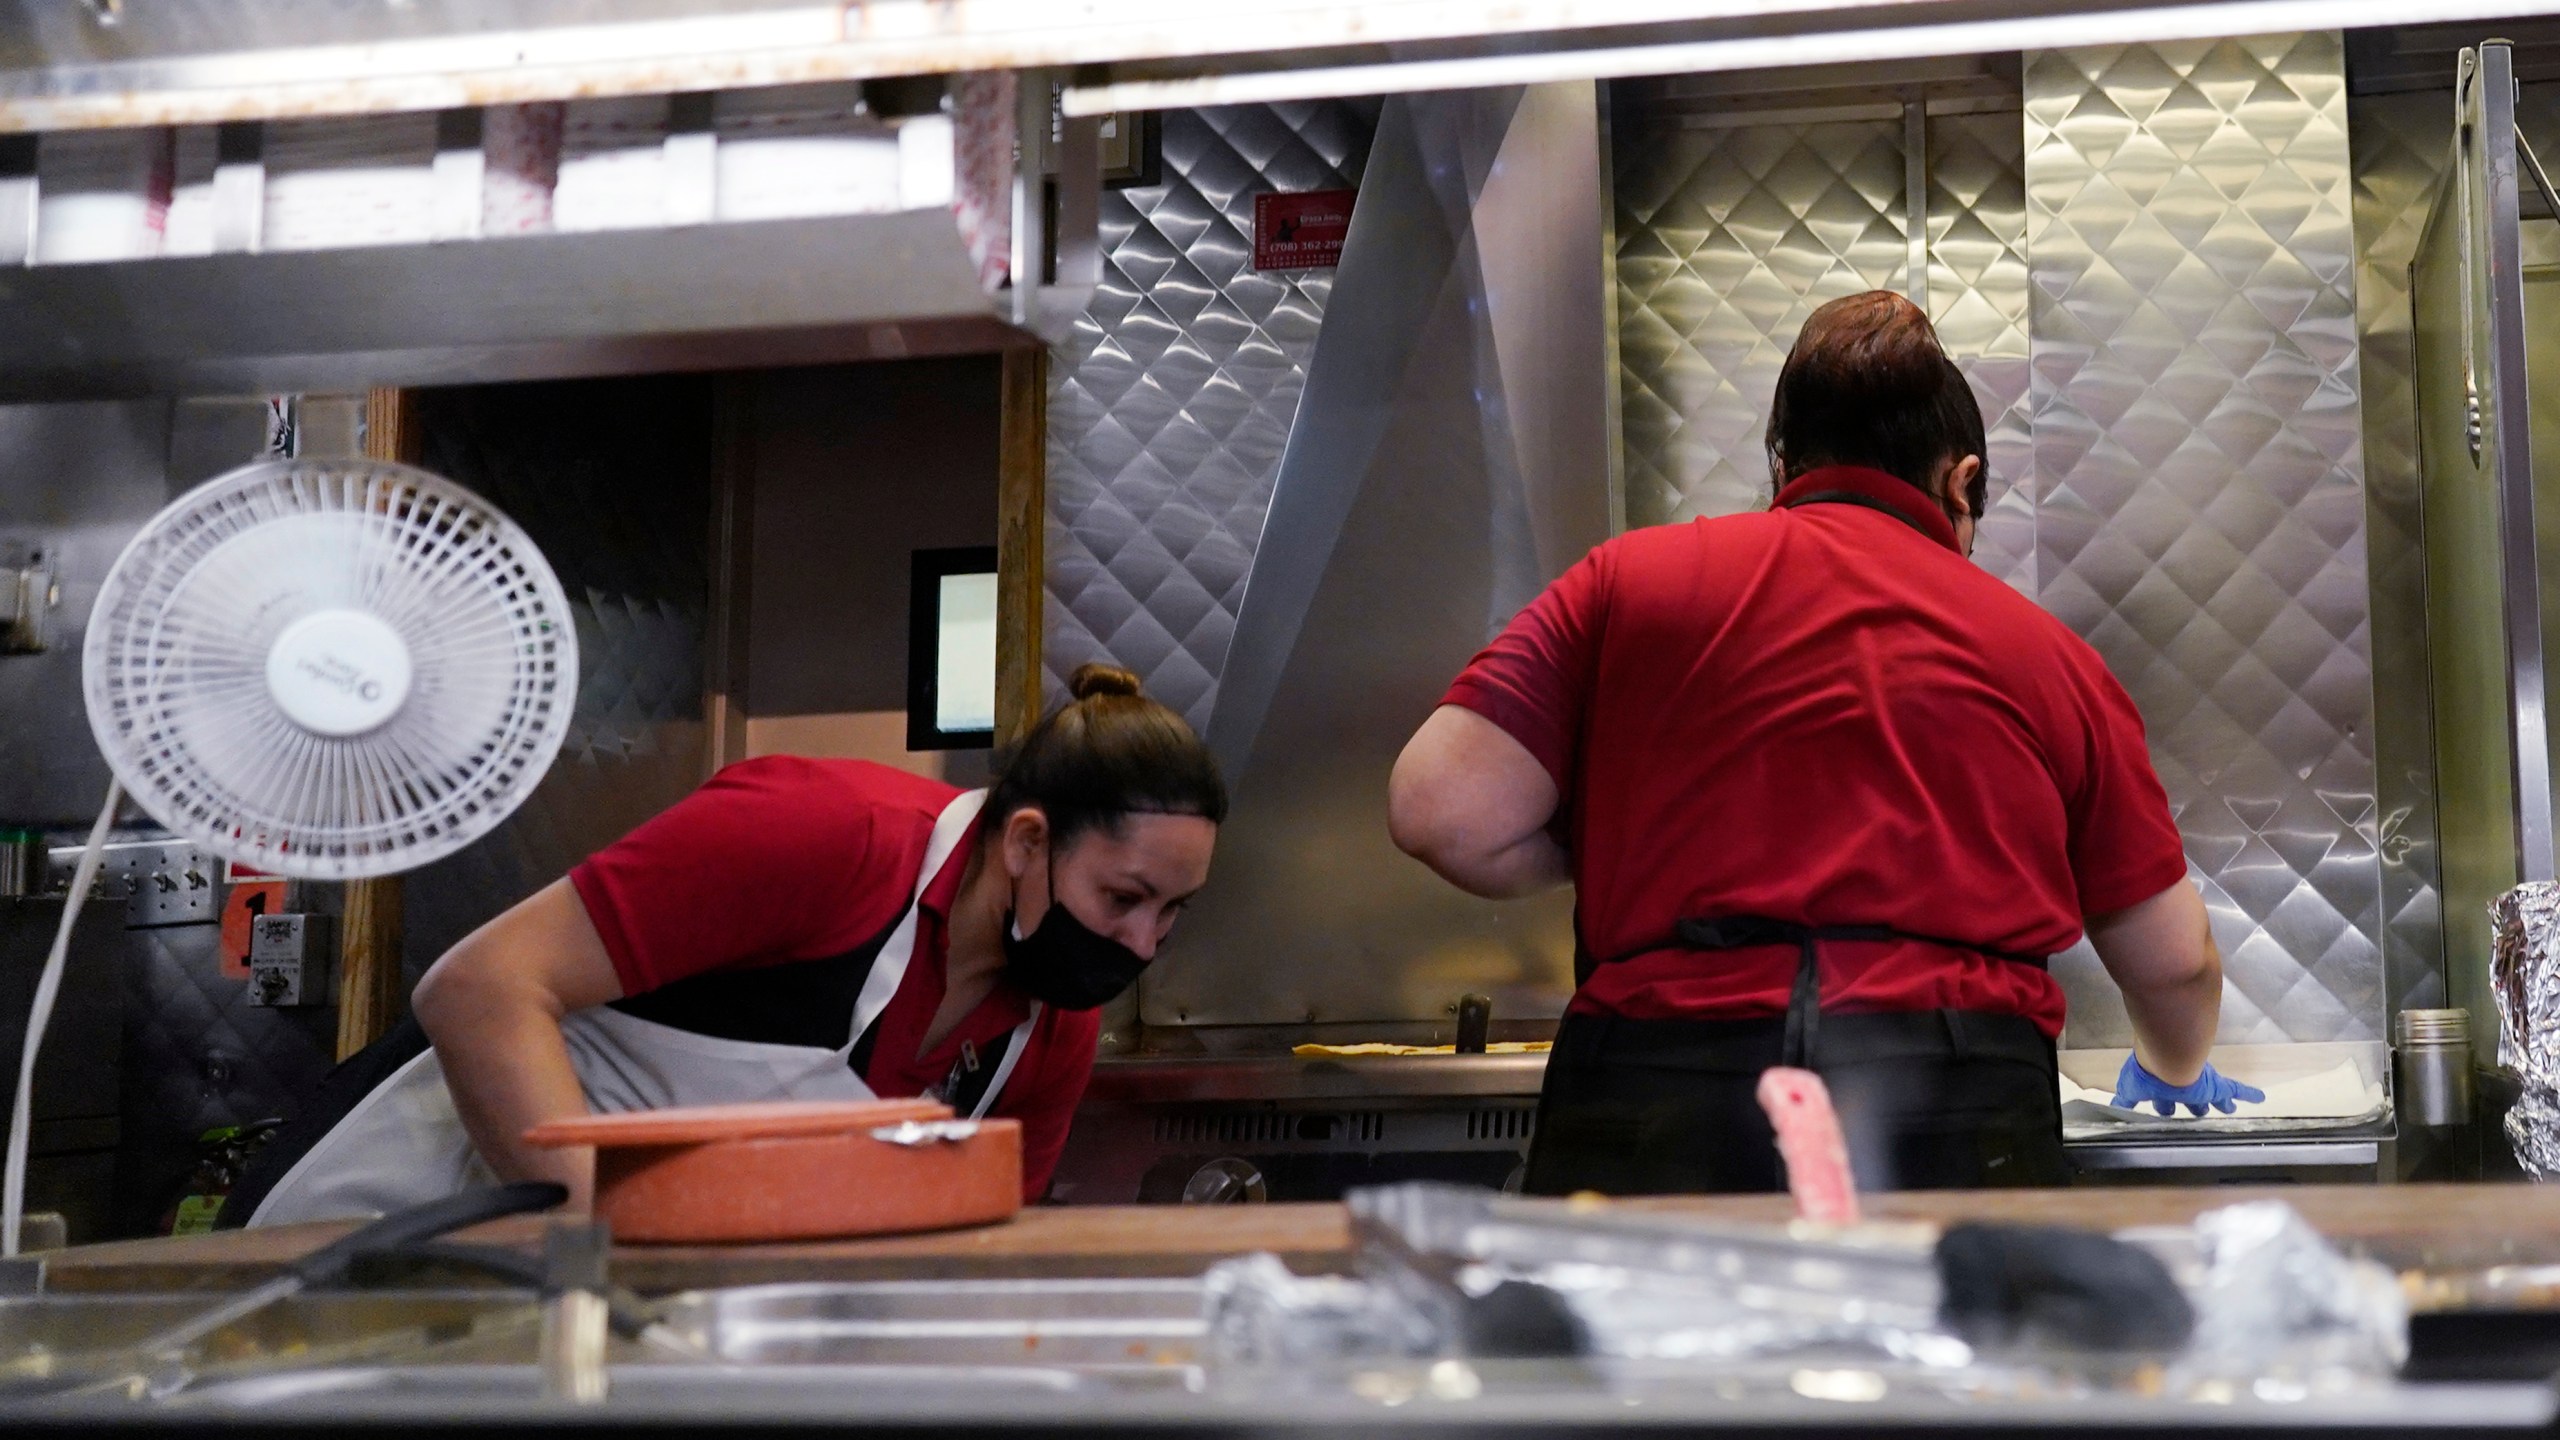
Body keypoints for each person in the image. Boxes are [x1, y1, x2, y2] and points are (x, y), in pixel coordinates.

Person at [1386, 291, 2257, 1196]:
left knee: (1637, 1342)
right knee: (1947, 1343)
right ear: (1961, 485)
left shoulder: (1624, 583)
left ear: (1782, 465)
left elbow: (1442, 810)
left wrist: (1621, 835)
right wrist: (2175, 1069)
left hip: (1656, 1094)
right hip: (1953, 1102)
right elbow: (2175, 961)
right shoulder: (2046, 655)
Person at [231, 663, 1224, 1225]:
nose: (1139, 943)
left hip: (597, 1306)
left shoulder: (1047, 1031)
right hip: (387, 1215)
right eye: (1123, 896)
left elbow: (980, 1234)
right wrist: (595, 1245)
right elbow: (478, 989)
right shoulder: (824, 836)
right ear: (1026, 841)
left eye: (1171, 915)